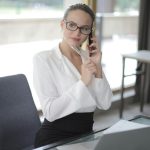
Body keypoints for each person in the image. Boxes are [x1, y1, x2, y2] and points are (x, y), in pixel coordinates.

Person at [33, 3, 113, 148]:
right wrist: (83, 82)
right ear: (62, 24)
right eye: (72, 25)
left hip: (85, 136)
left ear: (90, 33)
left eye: (84, 28)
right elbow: (50, 112)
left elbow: (105, 103)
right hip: (55, 139)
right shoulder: (44, 59)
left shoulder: (88, 58)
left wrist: (98, 67)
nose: (77, 33)